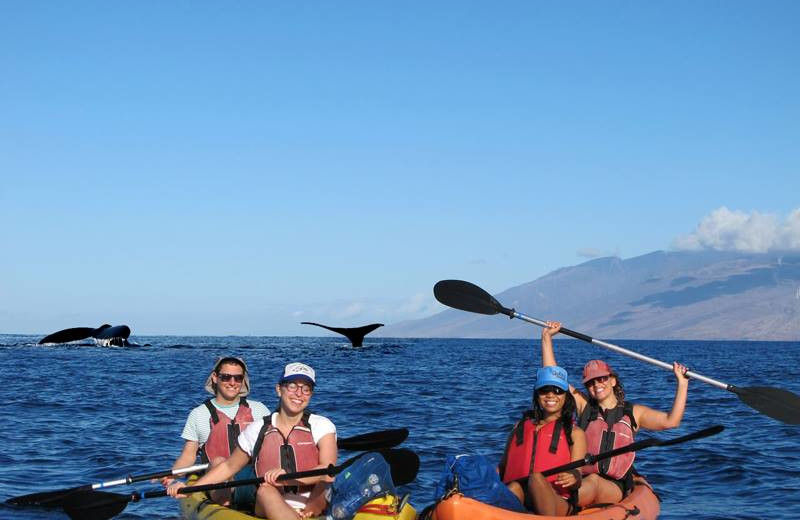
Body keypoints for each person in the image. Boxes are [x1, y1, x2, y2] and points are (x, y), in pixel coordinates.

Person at [540, 321, 689, 507]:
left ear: (612, 381)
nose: (596, 385)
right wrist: (546, 339)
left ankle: (557, 506)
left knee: (593, 482)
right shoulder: (584, 407)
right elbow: (554, 377)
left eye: (601, 379)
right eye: (590, 383)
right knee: (571, 479)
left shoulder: (634, 412)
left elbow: (671, 421)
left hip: (613, 485)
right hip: (580, 477)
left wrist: (682, 384)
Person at [168, 362, 337, 520]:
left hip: (314, 503)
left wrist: (288, 479)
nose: (299, 394)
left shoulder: (321, 425)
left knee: (325, 481)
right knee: (265, 490)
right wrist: (190, 488)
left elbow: (327, 469)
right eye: (292, 386)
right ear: (279, 389)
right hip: (269, 502)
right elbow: (229, 467)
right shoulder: (258, 429)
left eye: (306, 389)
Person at [161, 356, 270, 508]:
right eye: (226, 377)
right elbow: (188, 456)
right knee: (219, 462)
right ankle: (225, 509)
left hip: (252, 479)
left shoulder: (259, 410)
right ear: (215, 377)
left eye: (238, 378)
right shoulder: (199, 414)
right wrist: (171, 475)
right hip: (218, 485)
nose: (232, 382)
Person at [498, 365, 587, 516]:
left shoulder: (575, 433)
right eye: (544, 390)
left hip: (557, 501)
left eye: (557, 390)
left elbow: (578, 476)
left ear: (566, 396)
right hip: (522, 497)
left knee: (536, 479)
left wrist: (573, 477)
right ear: (537, 394)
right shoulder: (519, 427)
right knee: (513, 487)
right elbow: (502, 467)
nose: (551, 395)